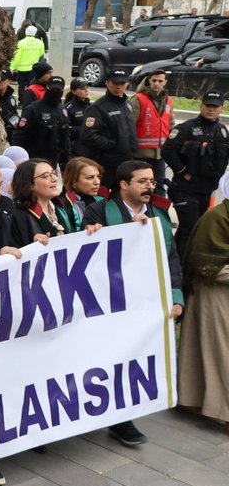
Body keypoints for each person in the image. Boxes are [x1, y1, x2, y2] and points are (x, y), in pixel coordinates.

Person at [84, 160, 184, 447]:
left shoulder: (159, 215)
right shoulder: (100, 211)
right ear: (124, 185)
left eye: (152, 181)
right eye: (143, 181)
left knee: (134, 359)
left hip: (146, 303)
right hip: (109, 303)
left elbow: (171, 259)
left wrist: (175, 297)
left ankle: (122, 419)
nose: (150, 186)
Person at [177, 171, 229, 426]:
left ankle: (190, 398)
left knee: (206, 350)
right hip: (211, 291)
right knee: (220, 351)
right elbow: (204, 264)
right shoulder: (216, 218)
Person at [164, 92, 229, 259]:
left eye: (215, 106)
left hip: (207, 190)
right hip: (185, 189)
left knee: (197, 230)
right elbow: (168, 150)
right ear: (201, 106)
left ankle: (183, 261)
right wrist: (183, 172)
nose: (211, 109)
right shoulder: (186, 128)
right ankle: (178, 266)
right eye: (208, 105)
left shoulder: (222, 131)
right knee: (189, 227)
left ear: (221, 108)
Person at [77, 69, 136, 182]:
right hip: (107, 163)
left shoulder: (127, 104)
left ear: (127, 84)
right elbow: (87, 135)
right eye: (115, 83)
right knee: (104, 196)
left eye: (122, 83)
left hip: (127, 160)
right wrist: (111, 144)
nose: (118, 87)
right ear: (107, 83)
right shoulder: (98, 107)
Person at [5, 159, 83, 244]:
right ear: (29, 184)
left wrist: (89, 232)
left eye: (54, 173)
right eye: (46, 176)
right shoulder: (18, 216)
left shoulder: (59, 208)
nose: (55, 179)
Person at [13, 76, 70, 166]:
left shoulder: (62, 111)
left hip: (53, 162)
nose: (55, 93)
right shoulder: (33, 110)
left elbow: (65, 138)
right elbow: (19, 136)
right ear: (47, 88)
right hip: (33, 161)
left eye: (58, 90)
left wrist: (66, 160)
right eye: (53, 89)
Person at [128, 70, 172, 183]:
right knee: (141, 185)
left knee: (160, 185)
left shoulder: (168, 100)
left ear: (165, 82)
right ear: (149, 80)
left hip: (160, 154)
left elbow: (170, 123)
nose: (156, 83)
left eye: (160, 81)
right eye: (154, 80)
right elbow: (129, 126)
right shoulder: (138, 99)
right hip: (141, 154)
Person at [62, 156, 104, 224]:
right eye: (90, 177)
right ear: (74, 181)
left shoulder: (103, 202)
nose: (97, 182)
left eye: (98, 177)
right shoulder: (62, 207)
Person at [11, 25, 45, 98]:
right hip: (33, 69)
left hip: (21, 69)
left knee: (21, 86)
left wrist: (12, 68)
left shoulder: (20, 43)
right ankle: (30, 99)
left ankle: (21, 101)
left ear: (26, 32)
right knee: (31, 86)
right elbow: (41, 55)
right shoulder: (40, 43)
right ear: (35, 33)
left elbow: (16, 57)